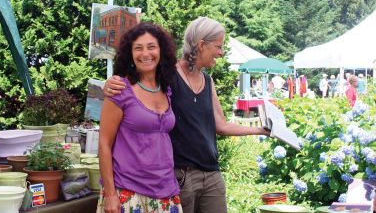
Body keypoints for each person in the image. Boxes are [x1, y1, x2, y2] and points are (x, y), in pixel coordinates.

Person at [104, 17, 270, 213]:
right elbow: (139, 84)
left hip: (209, 172)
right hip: (178, 175)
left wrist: (262, 130)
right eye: (218, 46)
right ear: (201, 45)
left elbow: (221, 125)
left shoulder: (207, 81)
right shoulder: (168, 75)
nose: (221, 52)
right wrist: (110, 83)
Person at [98, 23, 182, 213]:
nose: (145, 54)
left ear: (161, 51)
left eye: (151, 47)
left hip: (166, 190)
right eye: (138, 48)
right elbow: (104, 144)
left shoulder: (165, 89)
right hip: (127, 190)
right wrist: (110, 195)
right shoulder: (119, 89)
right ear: (130, 54)